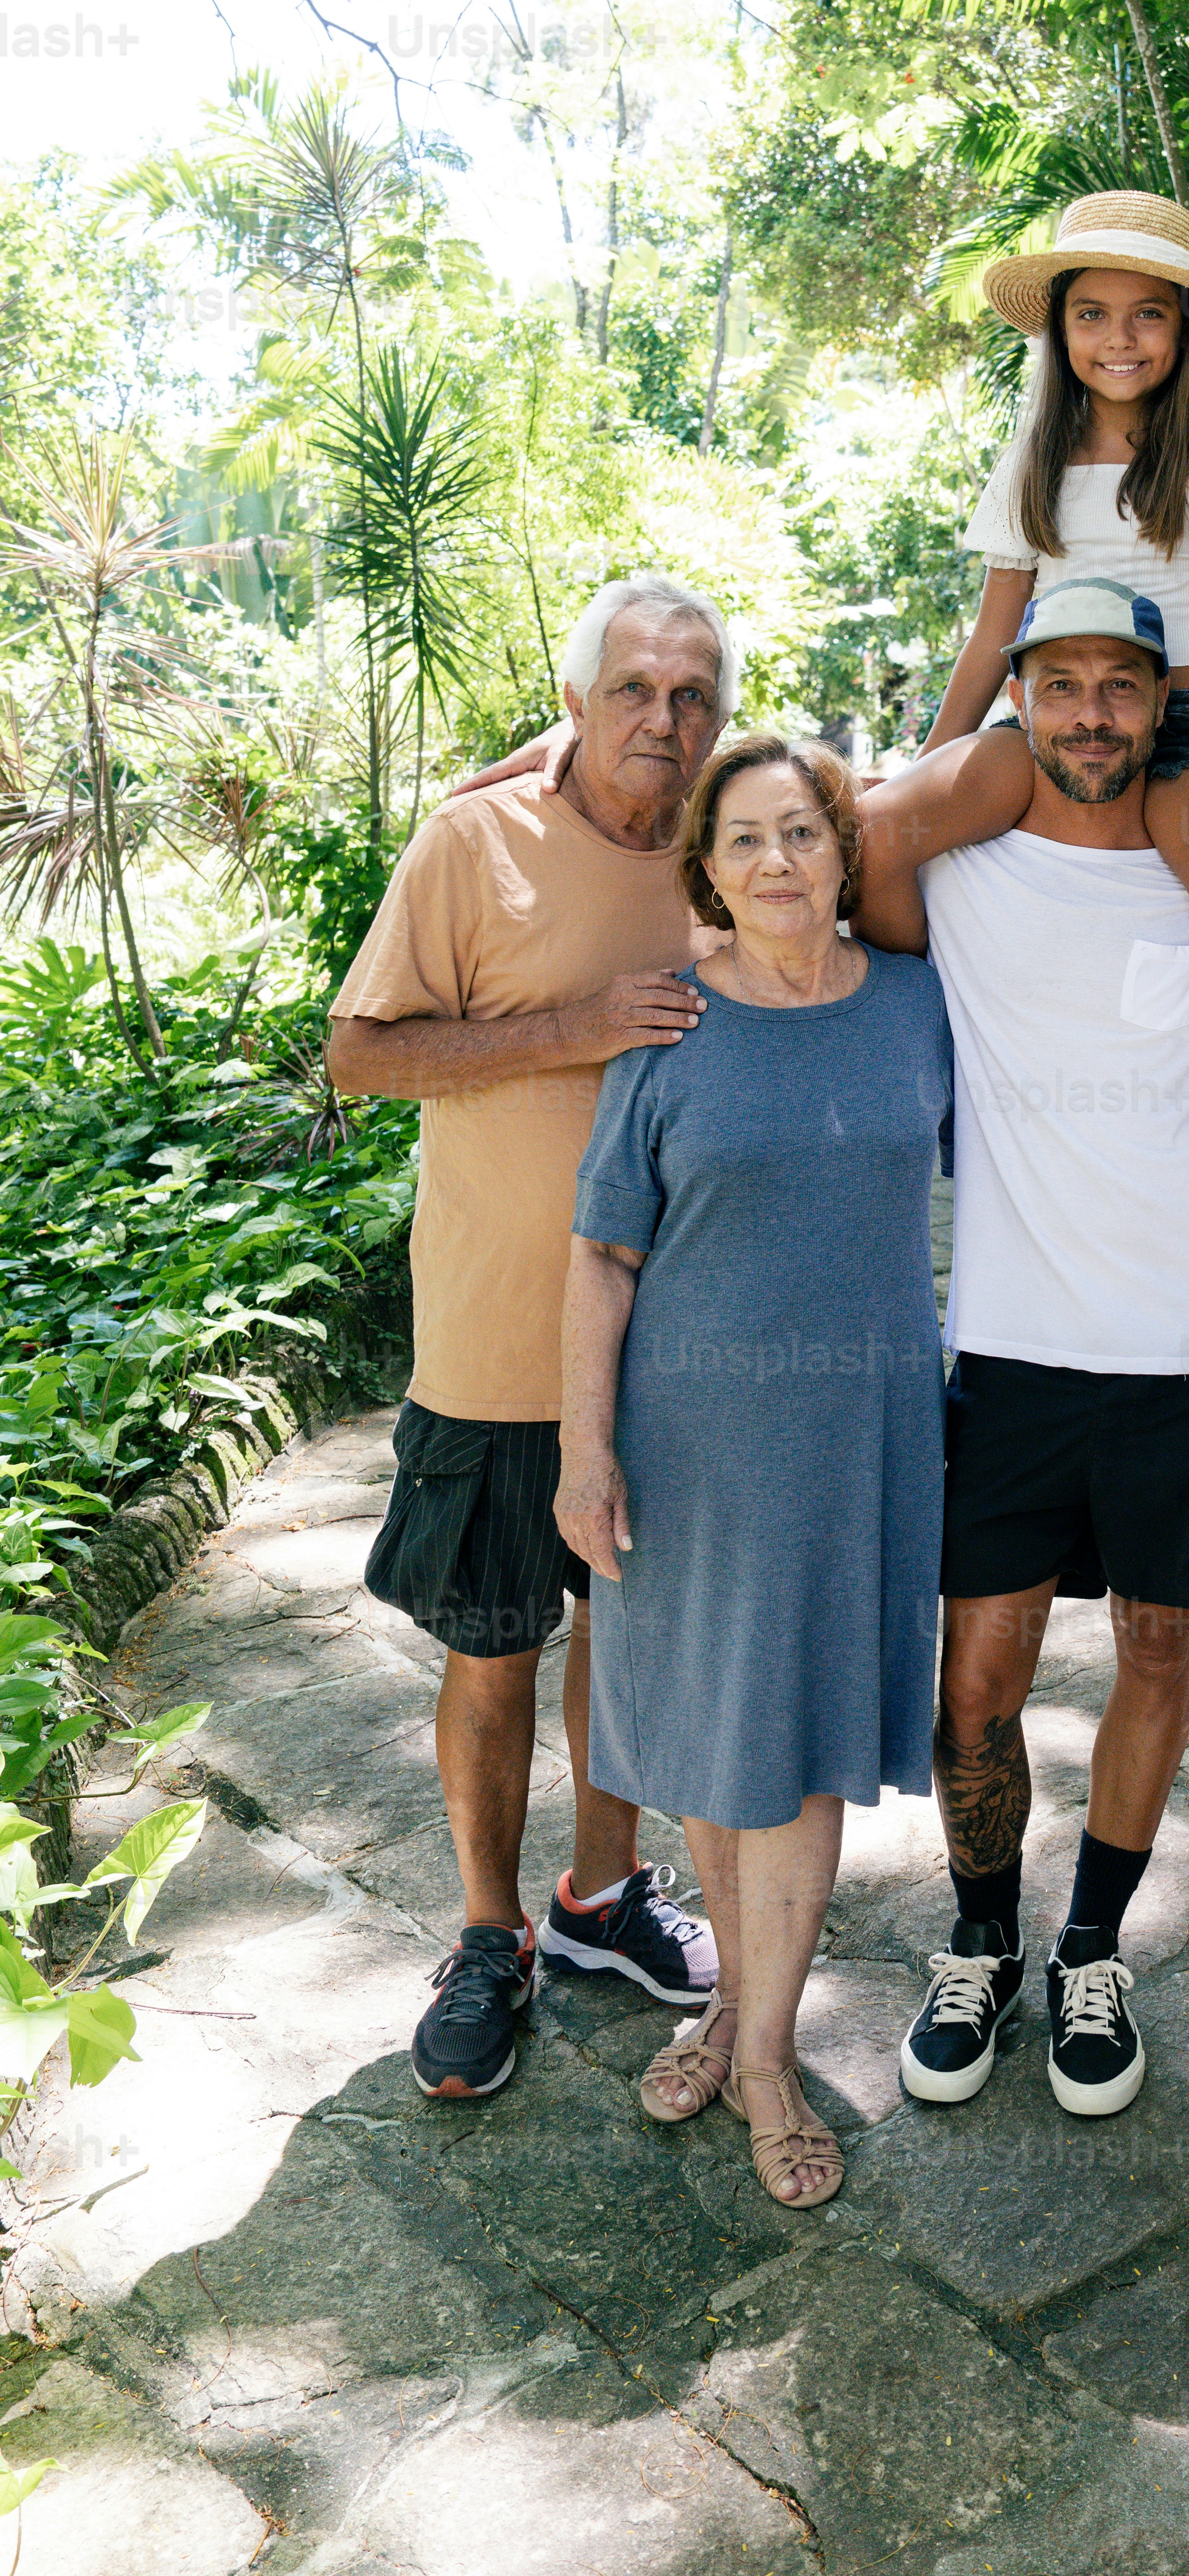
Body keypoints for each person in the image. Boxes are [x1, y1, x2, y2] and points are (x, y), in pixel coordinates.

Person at [856, 576, 1189, 2122]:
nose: (1094, 714)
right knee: (974, 1682)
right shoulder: (962, 874)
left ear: (1162, 699)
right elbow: (820, 835)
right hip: (1013, 1344)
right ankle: (982, 1936)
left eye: (1125, 683)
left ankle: (1093, 1946)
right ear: (1021, 699)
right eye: (1062, 684)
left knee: (1159, 1654)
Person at [328, 575, 731, 2100]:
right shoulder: (471, 842)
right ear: (575, 699)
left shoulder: (723, 846)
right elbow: (361, 1052)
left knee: (630, 1641)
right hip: (498, 1343)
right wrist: (564, 1029)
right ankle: (489, 1937)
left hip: (672, 1349)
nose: (663, 717)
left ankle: (603, 1896)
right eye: (633, 686)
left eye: (693, 693)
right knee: (497, 1644)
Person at [555, 737, 953, 2207]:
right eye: (744, 839)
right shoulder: (667, 1027)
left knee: (796, 1736)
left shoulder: (918, 1005)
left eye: (801, 831)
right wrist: (581, 1452)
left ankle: (769, 2049)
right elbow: (601, 1257)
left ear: (844, 850)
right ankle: (739, 2012)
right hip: (690, 1436)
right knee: (721, 1738)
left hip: (860, 1434)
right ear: (706, 871)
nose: (777, 860)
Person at [919, 192, 1189, 960]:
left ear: (1186, 329)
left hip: (1184, 726)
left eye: (1149, 314)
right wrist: (930, 763)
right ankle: (916, 1030)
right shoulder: (1030, 464)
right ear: (1061, 329)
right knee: (880, 835)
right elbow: (995, 633)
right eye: (1091, 314)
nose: (1119, 338)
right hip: (1048, 724)